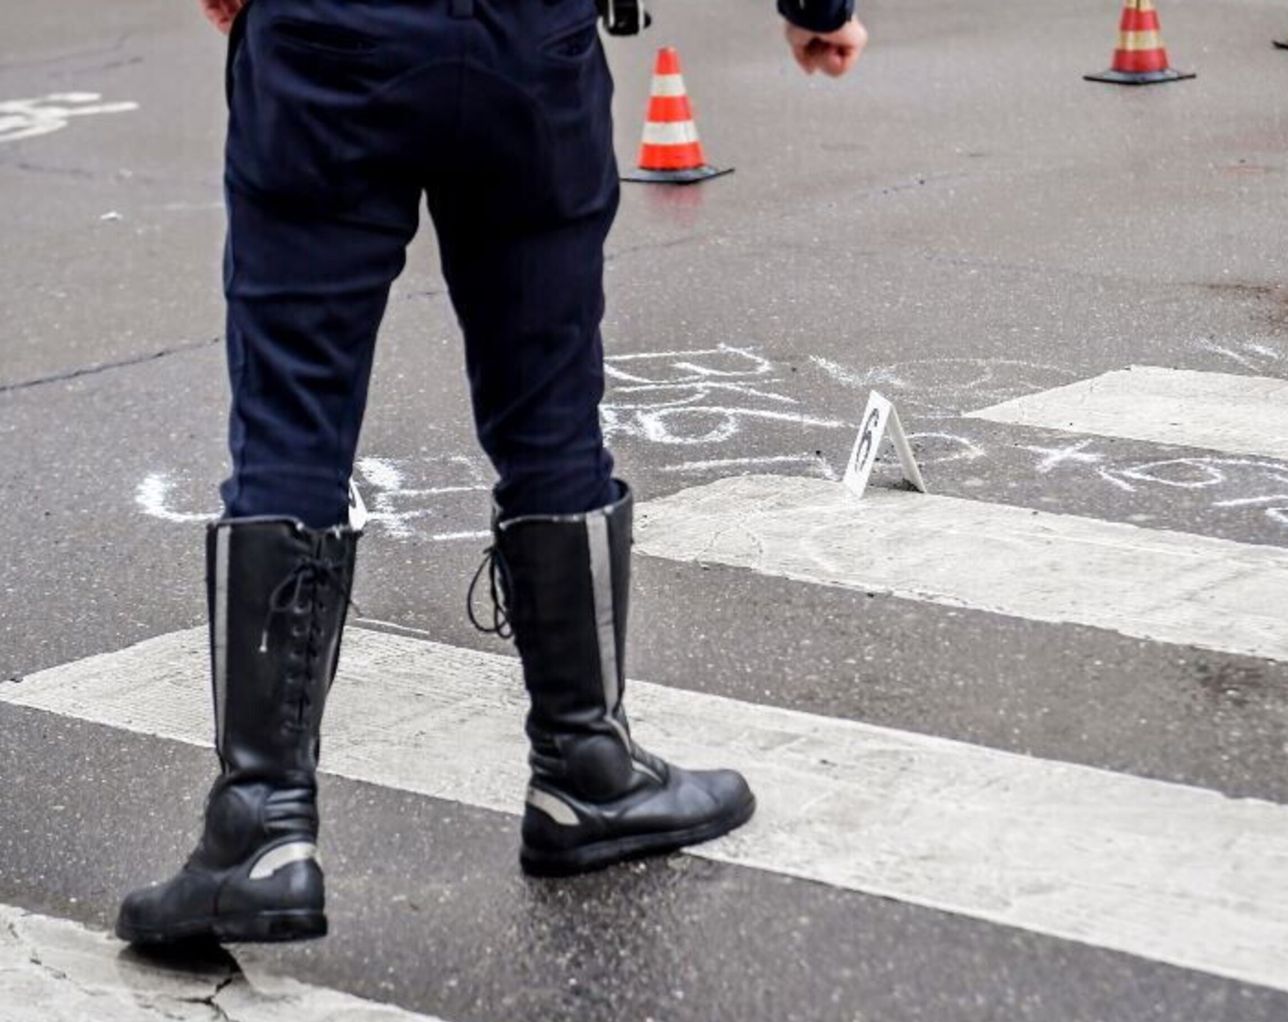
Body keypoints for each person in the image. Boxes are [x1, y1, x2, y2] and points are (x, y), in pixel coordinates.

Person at [115, 0, 867, 945]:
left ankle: (259, 823)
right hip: (528, 42)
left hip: (327, 41)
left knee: (292, 420)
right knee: (550, 408)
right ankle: (585, 766)